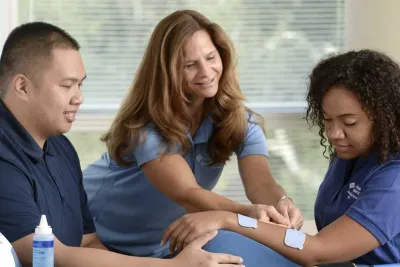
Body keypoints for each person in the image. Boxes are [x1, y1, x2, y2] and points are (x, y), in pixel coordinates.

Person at [0, 21, 244, 267]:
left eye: (80, 85)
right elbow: (43, 255)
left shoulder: (61, 149)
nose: (79, 98)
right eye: (66, 86)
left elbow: (88, 242)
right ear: (22, 86)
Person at [83, 9, 303, 258]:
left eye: (211, 57)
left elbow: (261, 184)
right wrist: (247, 213)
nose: (206, 71)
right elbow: (187, 194)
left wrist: (281, 203)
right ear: (168, 72)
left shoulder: (239, 120)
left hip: (161, 246)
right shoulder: (145, 128)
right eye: (190, 65)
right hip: (93, 234)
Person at [162, 49, 400, 266]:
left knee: (220, 243)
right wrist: (276, 210)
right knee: (212, 244)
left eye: (349, 122)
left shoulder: (393, 180)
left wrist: (229, 218)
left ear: (383, 118)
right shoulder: (351, 152)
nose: (334, 134)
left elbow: (319, 249)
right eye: (327, 120)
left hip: (332, 260)